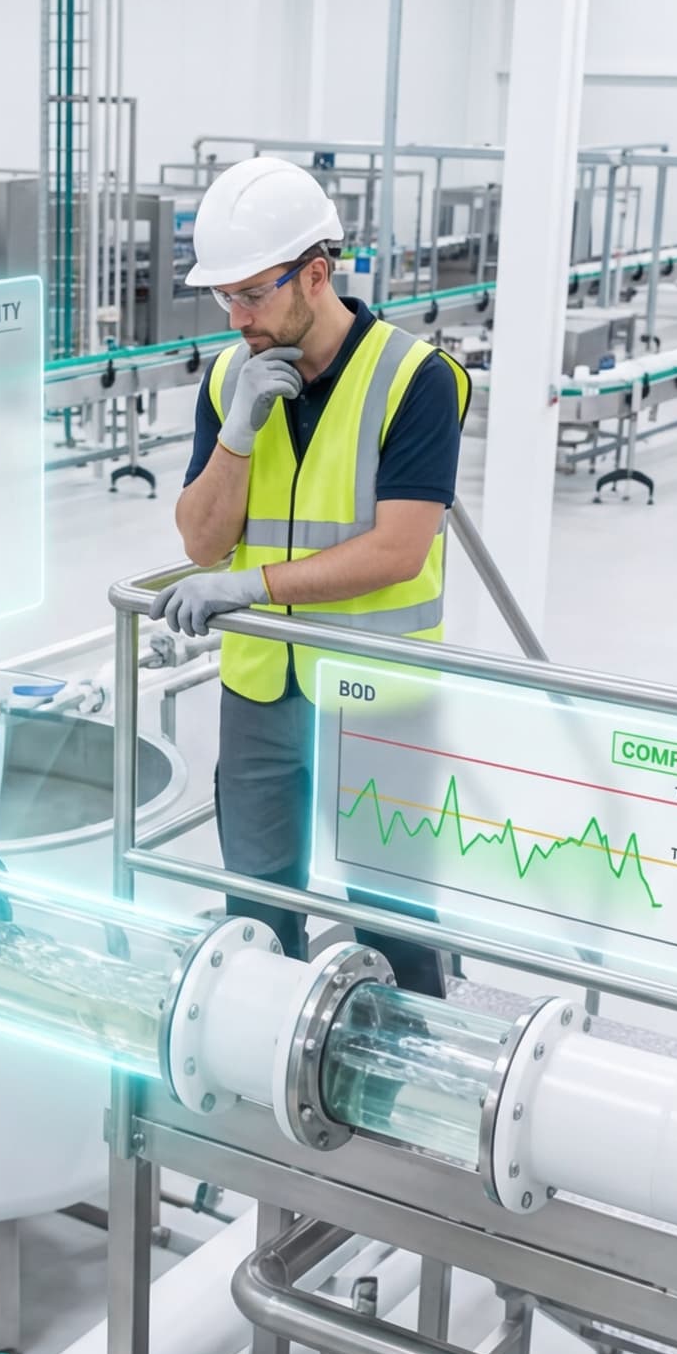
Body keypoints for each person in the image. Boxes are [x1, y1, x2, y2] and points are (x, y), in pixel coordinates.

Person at [152, 156, 468, 991]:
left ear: (316, 275)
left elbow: (399, 550)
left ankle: (416, 1062)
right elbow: (202, 541)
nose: (238, 318)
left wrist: (251, 587)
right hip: (261, 692)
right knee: (257, 913)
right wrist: (239, 431)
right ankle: (270, 1049)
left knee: (394, 917)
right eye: (225, 298)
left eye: (253, 295)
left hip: (377, 695)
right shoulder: (231, 377)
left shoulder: (416, 379)